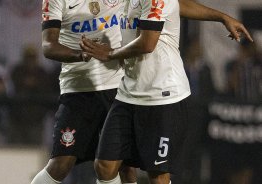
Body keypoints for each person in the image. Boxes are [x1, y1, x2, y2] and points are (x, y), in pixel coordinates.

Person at [80, 0, 253, 183]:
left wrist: (110, 54)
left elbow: (148, 43)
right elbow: (177, 4)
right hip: (129, 92)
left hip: (163, 96)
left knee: (157, 176)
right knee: (105, 165)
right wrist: (221, 16)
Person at [31, 0, 136, 184]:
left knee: (124, 167)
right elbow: (48, 45)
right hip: (77, 91)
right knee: (60, 165)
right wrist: (79, 55)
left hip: (118, 89)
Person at [9, 44, 51, 145]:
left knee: (35, 149)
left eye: (32, 57)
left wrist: (33, 83)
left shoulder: (42, 72)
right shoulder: (17, 70)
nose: (30, 60)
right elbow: (16, 84)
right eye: (28, 57)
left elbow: (45, 90)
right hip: (18, 118)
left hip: (36, 119)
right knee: (16, 149)